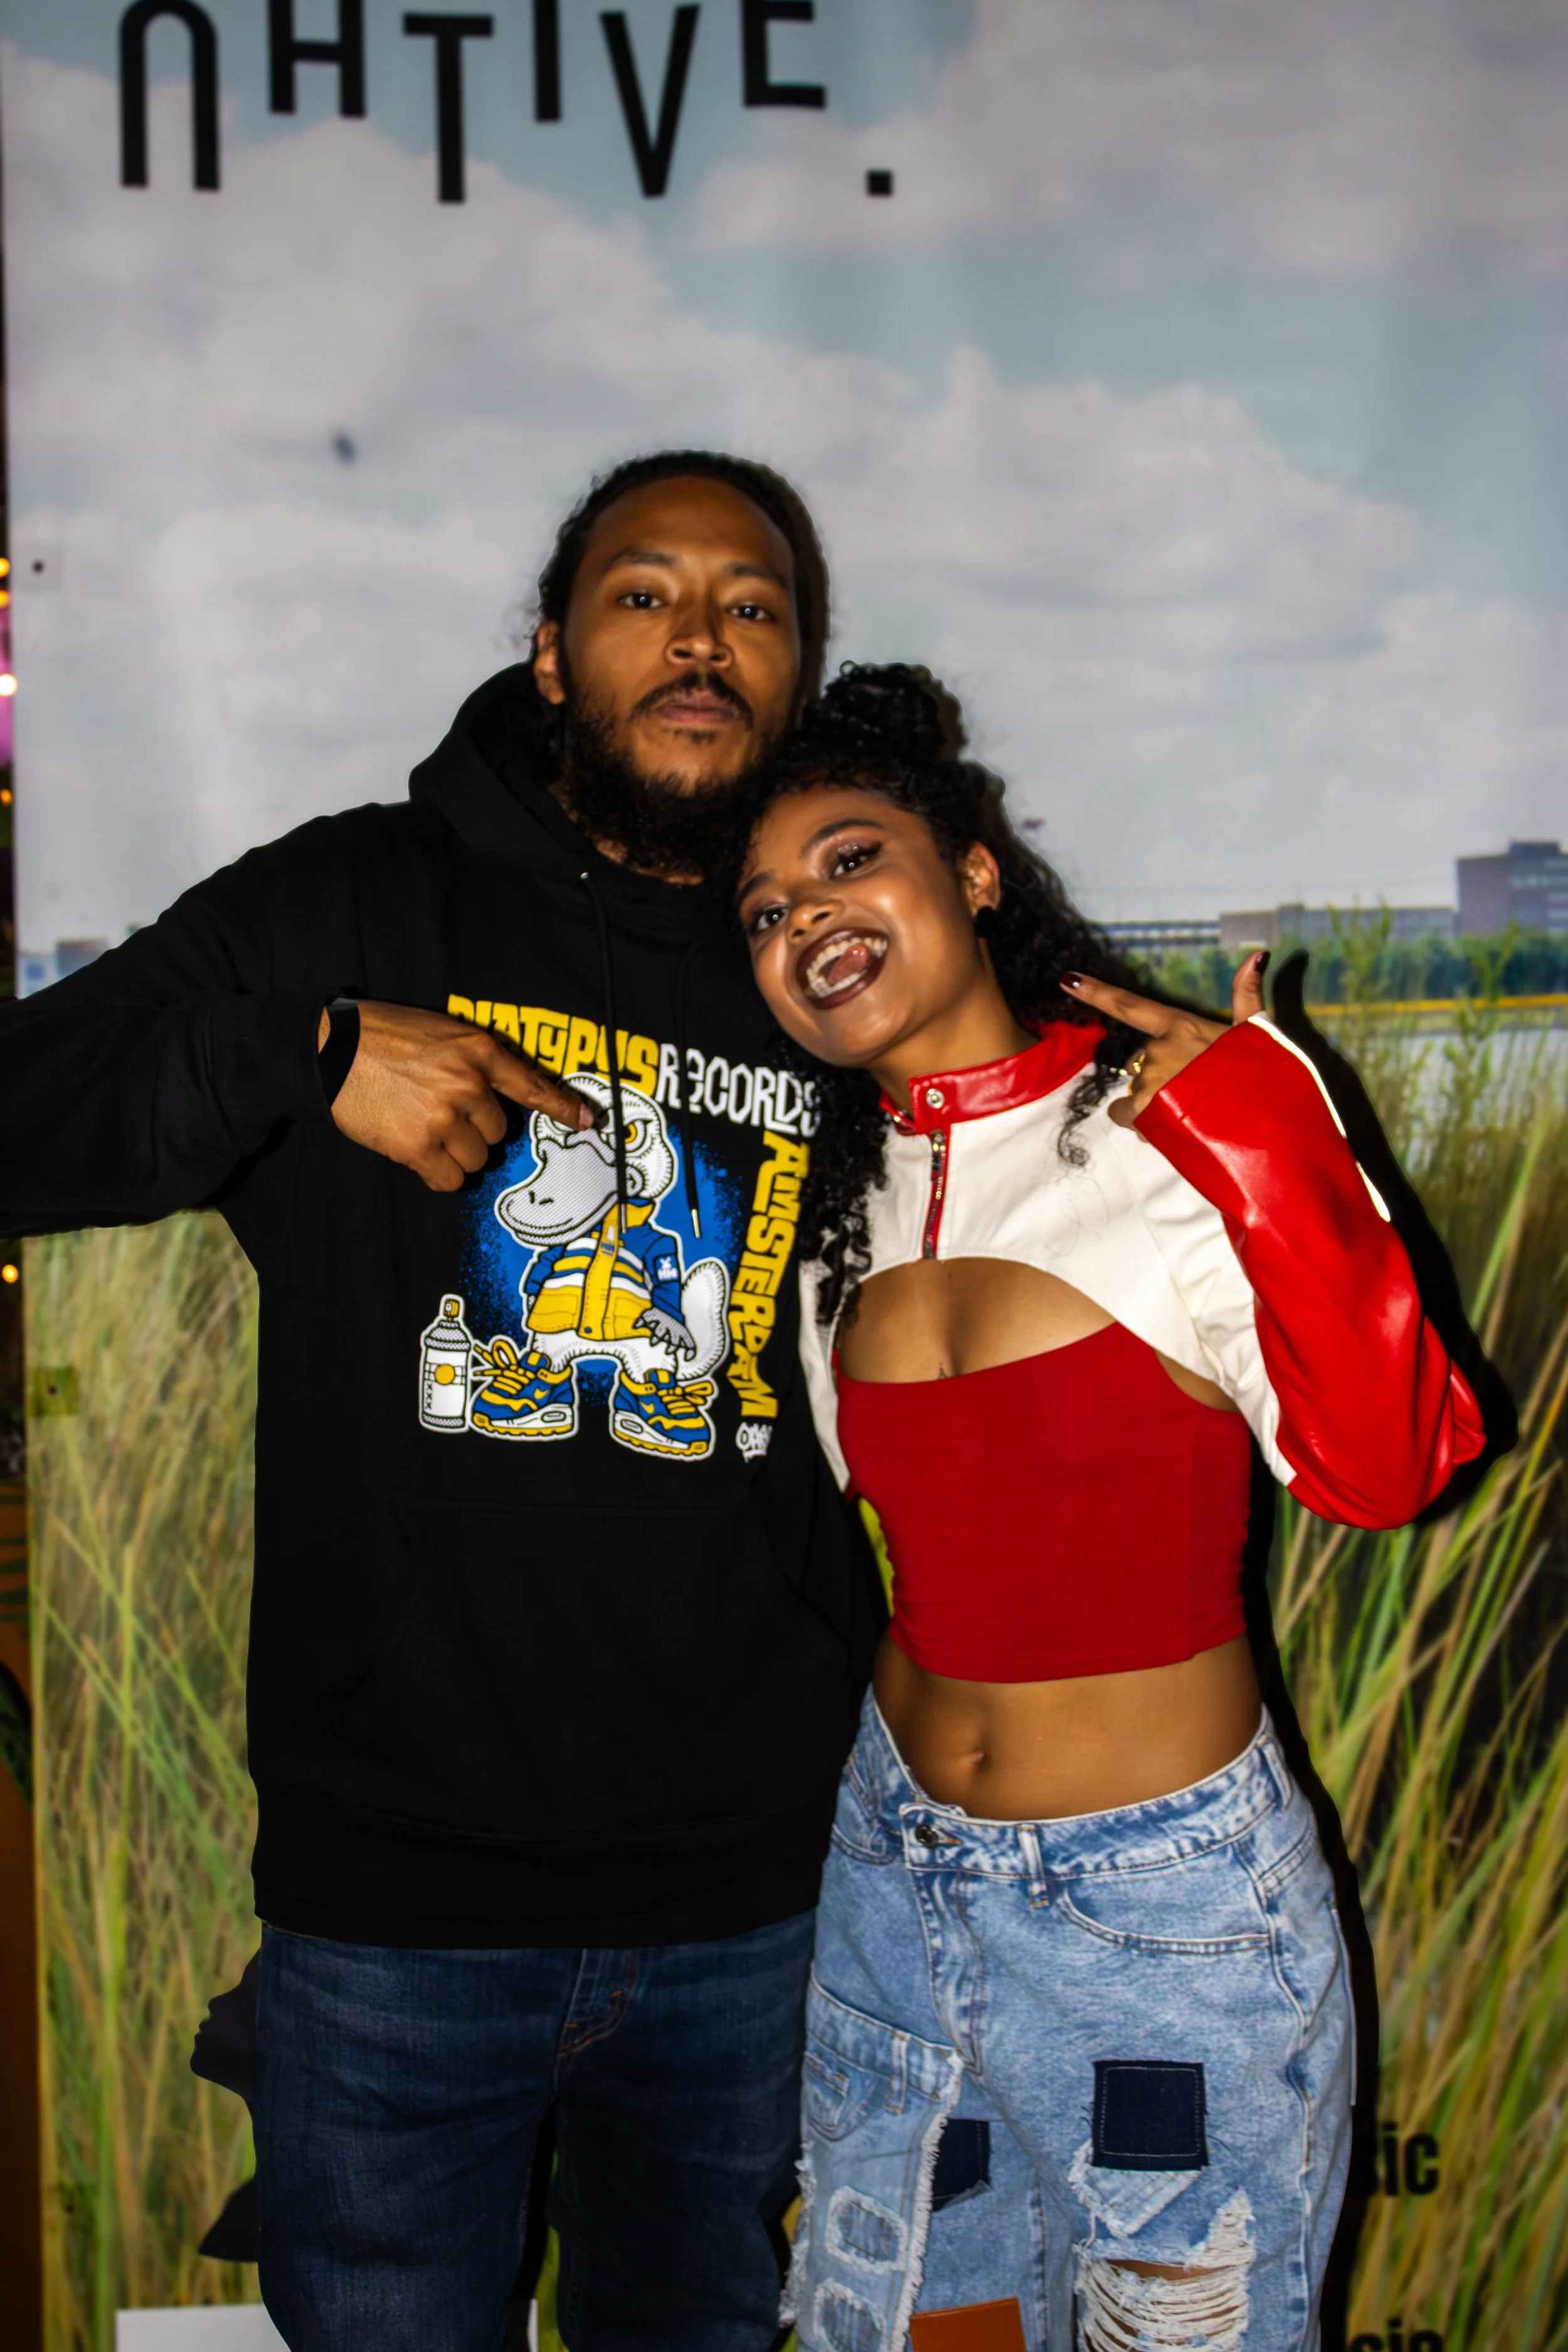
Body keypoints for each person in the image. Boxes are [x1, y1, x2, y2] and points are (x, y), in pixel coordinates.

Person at [0, 455, 884, 2352]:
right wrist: (300, 1051)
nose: (699, 638)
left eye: (753, 604)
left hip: (757, 1895)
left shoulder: (825, 956)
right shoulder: (351, 899)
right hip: (398, 1912)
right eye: (644, 594)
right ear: (551, 652)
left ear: (798, 669)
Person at [734, 668, 1487, 2352]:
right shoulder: (833, 1200)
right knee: (928, 2326)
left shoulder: (1178, 1120)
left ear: (975, 870)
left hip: (1156, 1910)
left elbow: (1390, 1467)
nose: (806, 919)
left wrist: (1268, 1136)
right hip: (892, 1878)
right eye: (767, 907)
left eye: (850, 860)